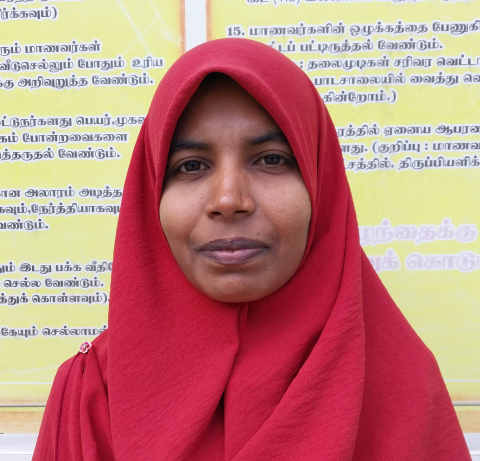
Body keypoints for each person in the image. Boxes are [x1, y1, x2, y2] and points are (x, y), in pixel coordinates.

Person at [33, 39, 470, 460]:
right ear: (151, 197)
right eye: (191, 166)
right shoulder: (93, 395)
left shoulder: (403, 392)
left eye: (271, 159)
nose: (228, 200)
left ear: (320, 184)